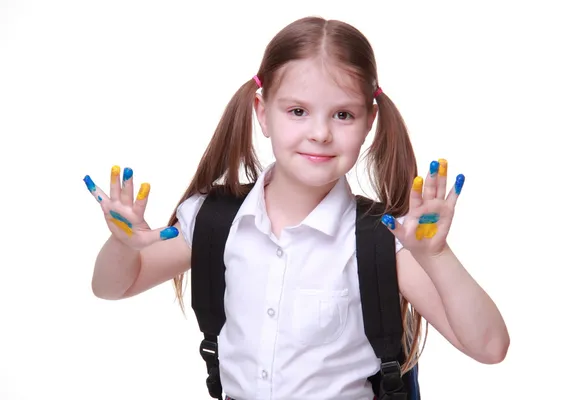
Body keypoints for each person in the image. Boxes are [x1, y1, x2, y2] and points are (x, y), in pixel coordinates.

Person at [85, 16, 510, 400]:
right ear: (263, 113)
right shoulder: (214, 220)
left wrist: (435, 255)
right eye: (298, 111)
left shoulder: (383, 238)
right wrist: (122, 245)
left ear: (369, 122)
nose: (320, 133)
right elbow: (113, 287)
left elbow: (490, 347)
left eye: (343, 114)